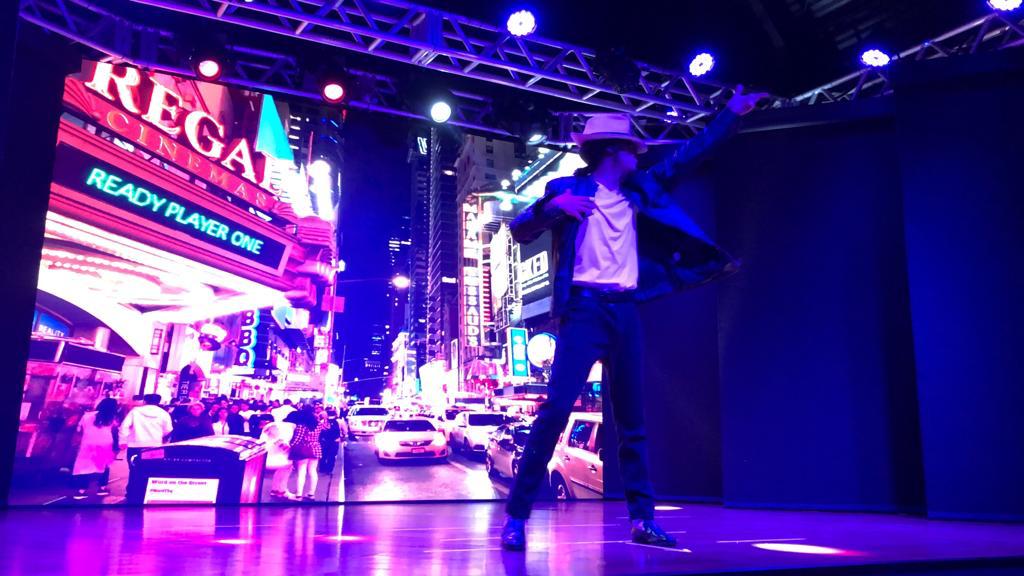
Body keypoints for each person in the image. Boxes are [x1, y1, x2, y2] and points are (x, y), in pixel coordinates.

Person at [499, 87, 768, 551]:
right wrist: (551, 209)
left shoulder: (640, 189)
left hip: (624, 310)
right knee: (556, 410)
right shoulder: (566, 190)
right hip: (583, 309)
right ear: (611, 151)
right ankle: (517, 518)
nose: (638, 154)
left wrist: (731, 112)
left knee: (633, 421)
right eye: (630, 148)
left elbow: (691, 154)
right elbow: (520, 227)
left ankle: (643, 521)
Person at [120, 394, 173, 495]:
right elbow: (168, 429)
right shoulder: (163, 413)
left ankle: (132, 492)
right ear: (158, 402)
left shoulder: (135, 411)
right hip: (155, 446)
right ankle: (147, 492)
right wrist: (159, 435)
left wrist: (122, 440)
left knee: (134, 469)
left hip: (135, 445)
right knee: (152, 469)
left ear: (145, 401)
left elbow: (124, 426)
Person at [70, 398, 119, 500]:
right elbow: (115, 433)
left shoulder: (86, 416)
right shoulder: (112, 419)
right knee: (104, 466)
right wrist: (116, 448)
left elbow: (79, 430)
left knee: (84, 467)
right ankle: (102, 488)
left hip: (88, 444)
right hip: (105, 444)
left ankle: (81, 491)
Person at [288, 406, 327, 501]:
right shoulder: (319, 424)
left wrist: (290, 446)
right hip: (316, 448)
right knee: (313, 471)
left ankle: (298, 495)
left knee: (302, 471)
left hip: (304, 448)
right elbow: (326, 428)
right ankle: (311, 494)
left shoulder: (302, 426)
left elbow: (297, 440)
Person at [257, 414, 296, 500]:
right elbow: (280, 442)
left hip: (265, 455)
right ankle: (282, 491)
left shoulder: (271, 426)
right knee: (285, 470)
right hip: (276, 457)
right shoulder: (288, 427)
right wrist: (290, 450)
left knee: (280, 472)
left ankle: (275, 490)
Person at [318, 407, 342, 474]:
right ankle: (329, 469)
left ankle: (322, 468)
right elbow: (340, 432)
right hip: (334, 442)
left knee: (323, 455)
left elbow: (319, 432)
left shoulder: (322, 422)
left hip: (324, 441)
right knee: (332, 456)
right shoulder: (338, 422)